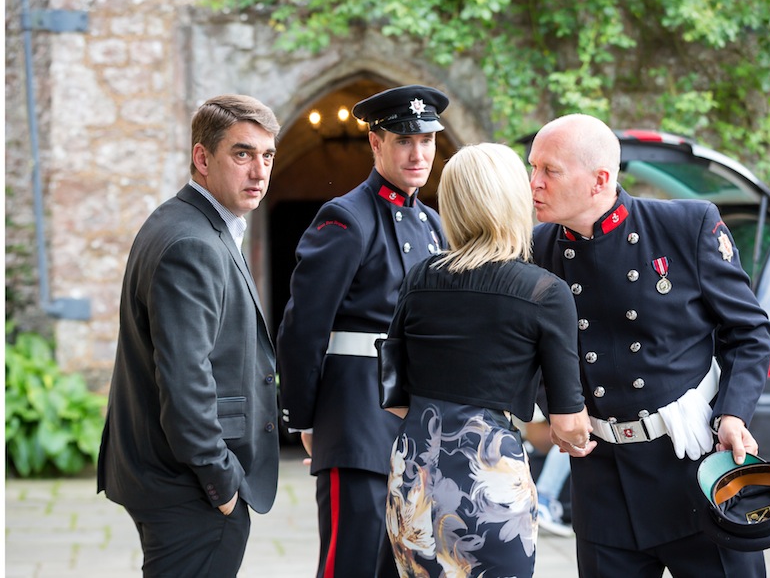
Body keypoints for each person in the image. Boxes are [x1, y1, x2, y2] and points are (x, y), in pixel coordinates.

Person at [530, 114, 770, 578]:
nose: (534, 183)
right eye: (532, 168)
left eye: (549, 171)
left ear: (599, 179)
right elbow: (531, 347)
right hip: (602, 482)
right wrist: (559, 404)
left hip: (694, 469)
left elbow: (748, 330)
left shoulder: (685, 226)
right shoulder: (538, 248)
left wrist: (733, 414)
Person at [383, 141, 593, 578]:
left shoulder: (419, 278)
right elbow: (568, 422)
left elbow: (395, 394)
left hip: (413, 475)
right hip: (488, 478)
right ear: (512, 200)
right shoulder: (544, 291)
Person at [97, 94, 280, 578]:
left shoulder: (183, 222)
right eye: (242, 154)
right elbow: (185, 380)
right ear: (203, 158)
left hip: (169, 478)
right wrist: (220, 483)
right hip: (190, 487)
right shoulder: (191, 244)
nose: (258, 171)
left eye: (267, 156)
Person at [277, 86, 448, 578]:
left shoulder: (433, 224)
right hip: (354, 421)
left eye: (428, 141)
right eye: (403, 141)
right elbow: (304, 326)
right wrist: (306, 417)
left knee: (406, 567)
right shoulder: (346, 218)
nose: (418, 154)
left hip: (416, 428)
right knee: (351, 564)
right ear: (375, 143)